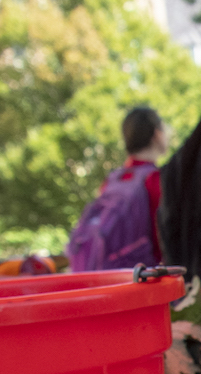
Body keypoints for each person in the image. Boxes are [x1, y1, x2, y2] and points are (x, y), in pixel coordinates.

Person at [66, 106, 168, 271]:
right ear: (157, 135)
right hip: (143, 280)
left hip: (109, 275)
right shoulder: (156, 180)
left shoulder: (112, 180)